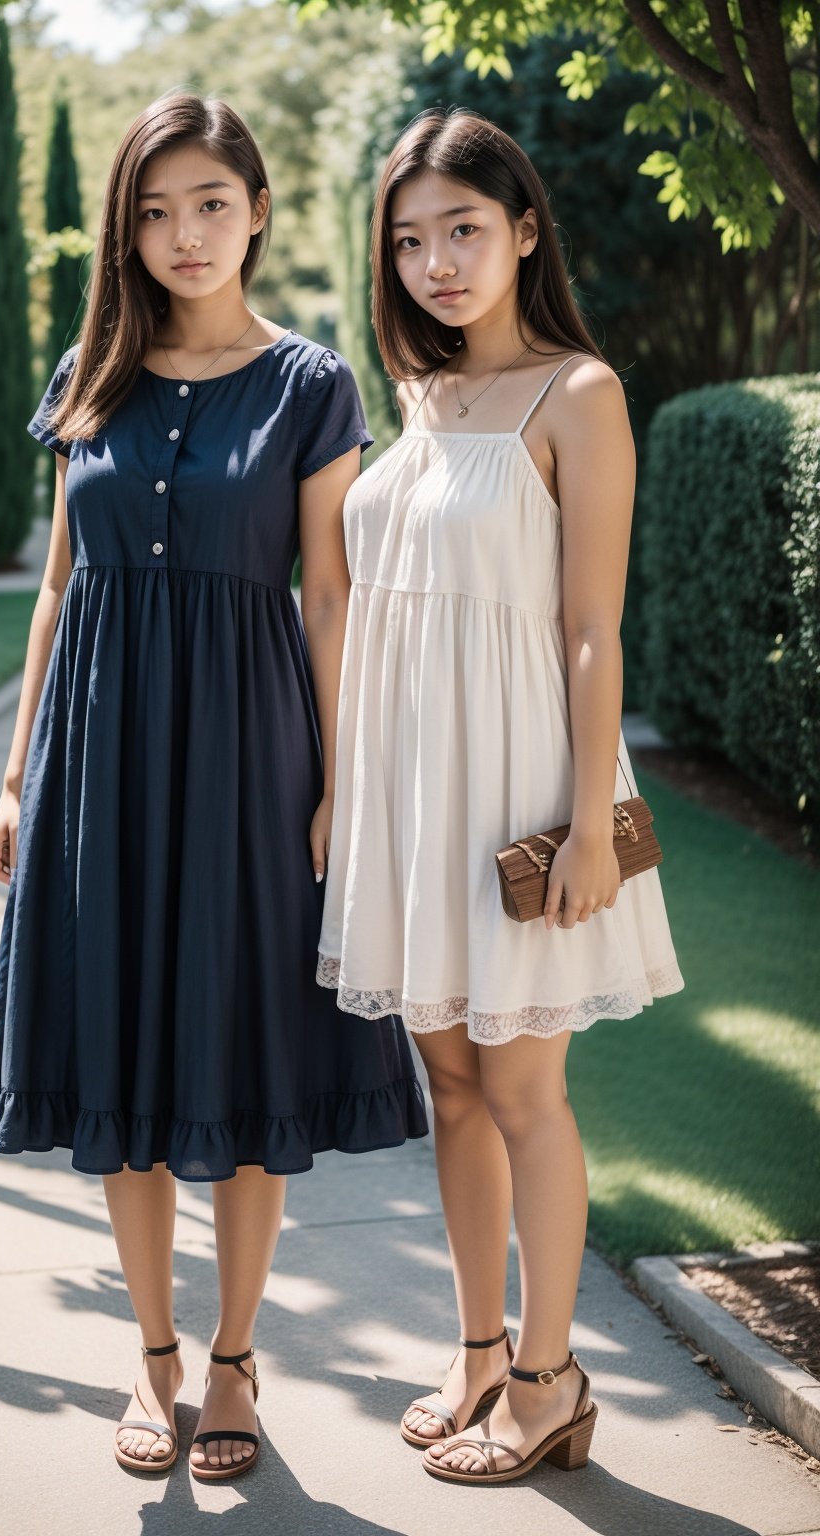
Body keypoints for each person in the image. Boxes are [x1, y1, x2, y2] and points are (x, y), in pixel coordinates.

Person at [0, 90, 427, 1484]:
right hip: (99, 759)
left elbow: (332, 599)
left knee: (237, 1047)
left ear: (259, 212)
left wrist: (342, 784)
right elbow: (57, 589)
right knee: (120, 1048)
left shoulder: (311, 386)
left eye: (210, 205)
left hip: (248, 755)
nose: (184, 234)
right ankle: (154, 1358)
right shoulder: (87, 374)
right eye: (156, 210)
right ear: (128, 227)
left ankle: (236, 1357)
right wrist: (12, 778)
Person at [318, 109, 684, 1487]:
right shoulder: (416, 399)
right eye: (408, 241)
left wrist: (589, 821)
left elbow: (593, 627)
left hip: (525, 783)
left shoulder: (576, 392)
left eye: (462, 231)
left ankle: (550, 1378)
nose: (435, 264)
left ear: (525, 227)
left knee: (526, 1090)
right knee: (452, 1086)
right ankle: (477, 1354)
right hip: (416, 792)